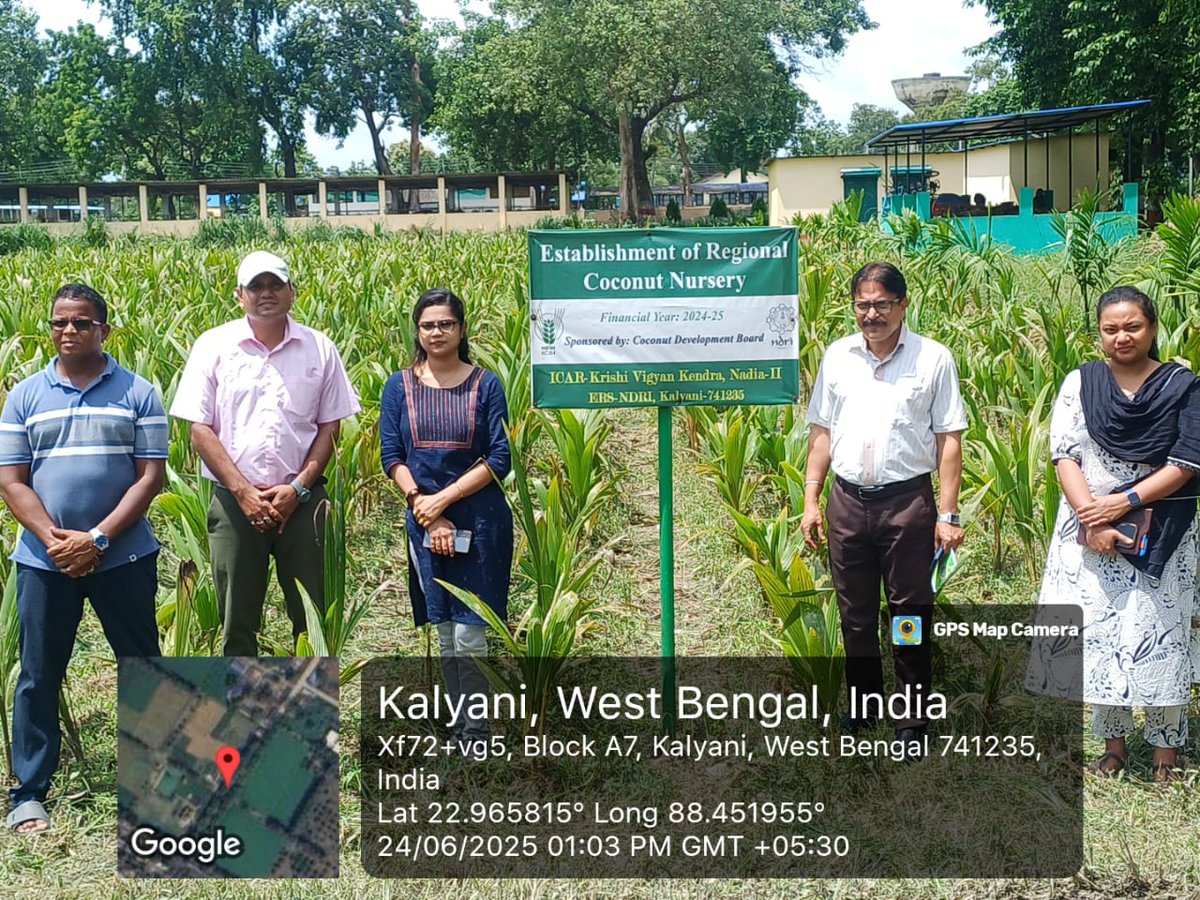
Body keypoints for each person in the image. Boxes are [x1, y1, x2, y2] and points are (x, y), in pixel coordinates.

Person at [0, 284, 166, 833]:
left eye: (81, 322)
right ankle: (29, 793)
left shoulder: (139, 392)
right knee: (40, 673)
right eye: (59, 323)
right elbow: (11, 481)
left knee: (142, 667)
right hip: (44, 561)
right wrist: (56, 540)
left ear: (105, 330)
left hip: (124, 556)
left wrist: (95, 539)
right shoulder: (25, 394)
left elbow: (150, 477)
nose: (68, 331)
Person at [1031, 286, 1200, 781]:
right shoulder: (1080, 383)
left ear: (1152, 327)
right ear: (1099, 333)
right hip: (1089, 534)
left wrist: (1122, 504)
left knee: (1160, 635)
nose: (1122, 337)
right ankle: (1113, 746)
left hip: (1163, 531)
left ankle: (1166, 752)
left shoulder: (1183, 386)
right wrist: (1092, 517)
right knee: (1102, 637)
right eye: (1111, 328)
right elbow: (1064, 453)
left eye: (1133, 326)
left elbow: (1188, 461)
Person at [801, 262, 967, 754]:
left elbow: (949, 440)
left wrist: (948, 514)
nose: (871, 314)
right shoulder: (838, 357)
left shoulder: (933, 359)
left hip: (906, 505)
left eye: (882, 304)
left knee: (909, 612)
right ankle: (863, 705)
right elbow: (821, 433)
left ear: (903, 305)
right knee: (854, 612)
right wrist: (812, 499)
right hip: (847, 502)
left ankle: (912, 718)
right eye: (863, 304)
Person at [170, 251, 360, 656]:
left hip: (304, 502)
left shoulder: (319, 348)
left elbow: (330, 427)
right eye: (256, 286)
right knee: (237, 618)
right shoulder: (214, 346)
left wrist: (298, 488)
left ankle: (308, 711)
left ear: (293, 292)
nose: (266, 293)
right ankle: (243, 711)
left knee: (313, 616)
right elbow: (199, 430)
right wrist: (243, 493)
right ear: (240, 295)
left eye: (276, 284)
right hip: (235, 503)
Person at [380, 288, 512, 744]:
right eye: (428, 325)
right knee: (446, 627)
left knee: (472, 629)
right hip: (423, 520)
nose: (437, 332)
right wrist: (425, 507)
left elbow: (499, 457)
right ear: (417, 331)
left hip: (482, 520)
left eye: (446, 324)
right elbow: (392, 456)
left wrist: (444, 500)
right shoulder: (399, 386)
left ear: (461, 329)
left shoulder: (486, 384)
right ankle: (460, 722)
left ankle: (475, 728)